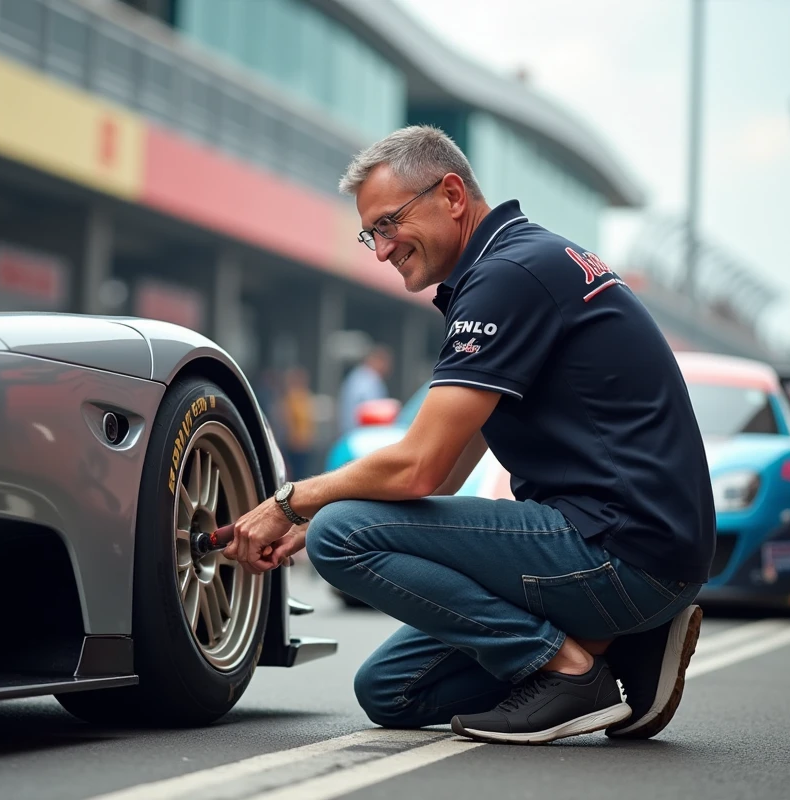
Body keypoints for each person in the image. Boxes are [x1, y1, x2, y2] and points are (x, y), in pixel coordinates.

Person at [223, 125, 715, 745]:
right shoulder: (519, 263)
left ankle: (566, 671)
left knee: (340, 535)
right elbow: (449, 465)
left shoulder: (509, 275)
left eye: (388, 224)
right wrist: (312, 522)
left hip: (619, 547)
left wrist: (292, 503)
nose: (380, 250)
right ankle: (627, 643)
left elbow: (419, 469)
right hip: (641, 552)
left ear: (452, 195)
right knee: (391, 690)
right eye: (370, 233)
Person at [336, 344, 394, 436]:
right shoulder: (370, 381)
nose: (388, 368)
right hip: (362, 437)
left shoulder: (356, 376)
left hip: (350, 435)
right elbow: (374, 413)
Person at [280, 366, 317, 480]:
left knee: (304, 473)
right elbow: (287, 421)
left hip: (305, 444)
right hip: (294, 445)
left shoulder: (306, 396)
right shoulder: (291, 398)